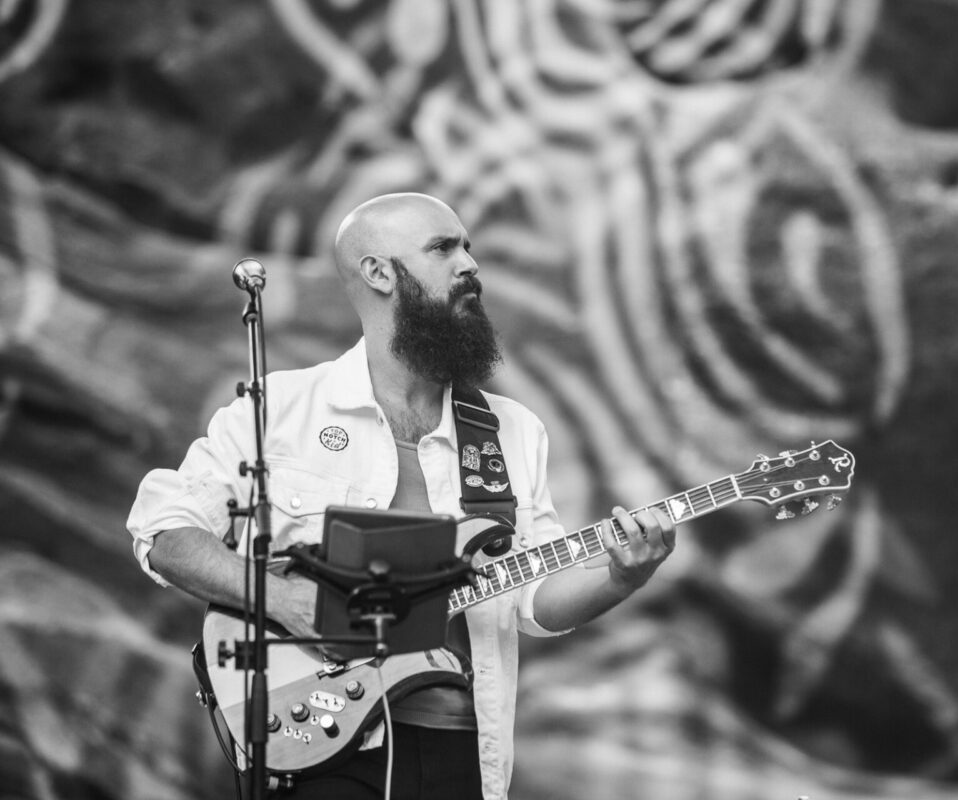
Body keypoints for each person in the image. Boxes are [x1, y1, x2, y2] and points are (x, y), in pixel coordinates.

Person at [126, 193, 676, 800]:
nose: (469, 264)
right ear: (378, 272)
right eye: (443, 248)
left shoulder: (512, 432)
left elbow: (534, 602)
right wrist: (285, 600)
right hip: (320, 743)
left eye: (468, 246)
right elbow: (163, 529)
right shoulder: (278, 409)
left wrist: (622, 579)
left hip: (460, 747)